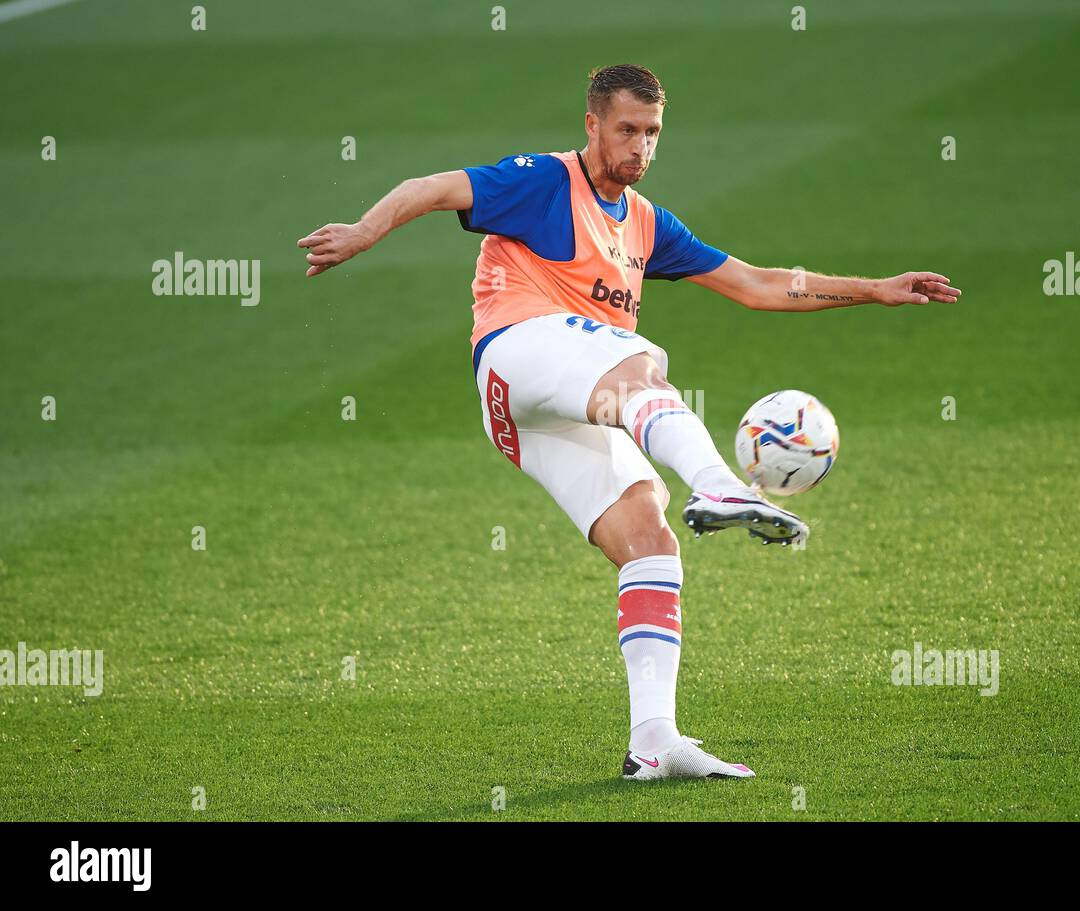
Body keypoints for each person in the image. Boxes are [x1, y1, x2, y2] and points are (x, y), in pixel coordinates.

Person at [298, 64, 960, 780]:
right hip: (517, 353)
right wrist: (365, 230)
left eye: (652, 133)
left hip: (536, 419)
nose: (640, 147)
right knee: (642, 369)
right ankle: (719, 482)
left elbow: (758, 285)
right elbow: (433, 188)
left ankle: (654, 741)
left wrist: (876, 290)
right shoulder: (544, 182)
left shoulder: (646, 224)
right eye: (626, 130)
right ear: (592, 126)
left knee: (650, 538)